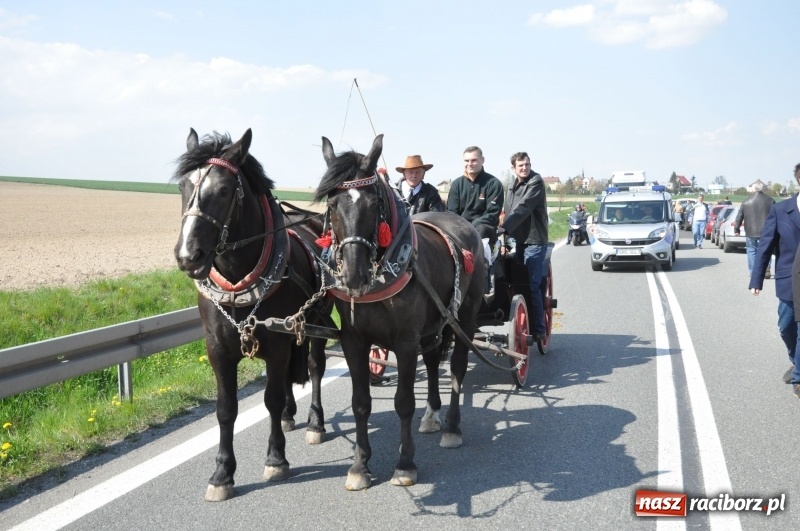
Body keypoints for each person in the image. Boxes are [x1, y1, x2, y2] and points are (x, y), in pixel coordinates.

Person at [750, 162, 800, 399]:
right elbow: (765, 246)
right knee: (787, 326)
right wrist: (757, 278)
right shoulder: (782, 210)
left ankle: (799, 377)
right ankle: (794, 358)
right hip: (789, 280)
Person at [497, 152, 548, 340]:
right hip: (517, 240)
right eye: (521, 166)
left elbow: (524, 208)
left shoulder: (536, 182)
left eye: (527, 164)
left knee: (531, 285)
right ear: (514, 168)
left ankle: (539, 329)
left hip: (534, 240)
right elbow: (507, 209)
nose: (524, 168)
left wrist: (505, 228)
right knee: (512, 282)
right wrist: (502, 235)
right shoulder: (511, 186)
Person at [447, 146, 504, 248]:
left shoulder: (494, 184)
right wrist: (461, 227)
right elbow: (452, 212)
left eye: (474, 160)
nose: (470, 164)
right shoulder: (457, 184)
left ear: (482, 160)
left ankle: (483, 263)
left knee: (482, 229)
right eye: (466, 160)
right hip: (459, 228)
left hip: (483, 231)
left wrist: (471, 226)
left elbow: (492, 214)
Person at [735, 181, 775, 275]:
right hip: (767, 230)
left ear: (753, 189)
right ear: (762, 189)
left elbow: (739, 216)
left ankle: (753, 272)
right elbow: (776, 215)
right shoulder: (770, 200)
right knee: (766, 249)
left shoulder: (746, 201)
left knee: (751, 250)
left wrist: (736, 229)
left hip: (750, 231)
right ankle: (766, 268)